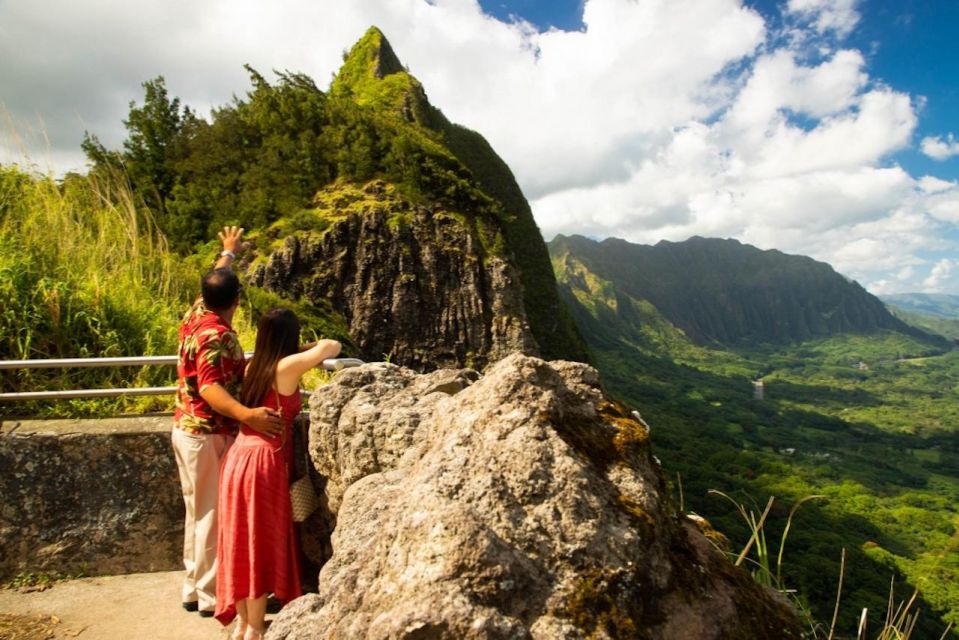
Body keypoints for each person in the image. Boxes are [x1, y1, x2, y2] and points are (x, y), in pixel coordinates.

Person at [172, 226, 285, 618]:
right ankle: (210, 596)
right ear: (236, 301)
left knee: (197, 510)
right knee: (212, 516)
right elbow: (210, 389)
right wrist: (247, 414)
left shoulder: (198, 311)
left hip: (186, 428)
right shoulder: (217, 336)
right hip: (207, 432)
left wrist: (228, 254)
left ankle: (193, 587)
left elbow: (217, 280)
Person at [215, 308, 341, 639]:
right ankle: (256, 628)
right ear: (290, 337)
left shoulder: (255, 364)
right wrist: (306, 348)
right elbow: (332, 347)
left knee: (240, 541)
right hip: (263, 463)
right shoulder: (286, 367)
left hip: (239, 457)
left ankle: (243, 624)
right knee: (258, 543)